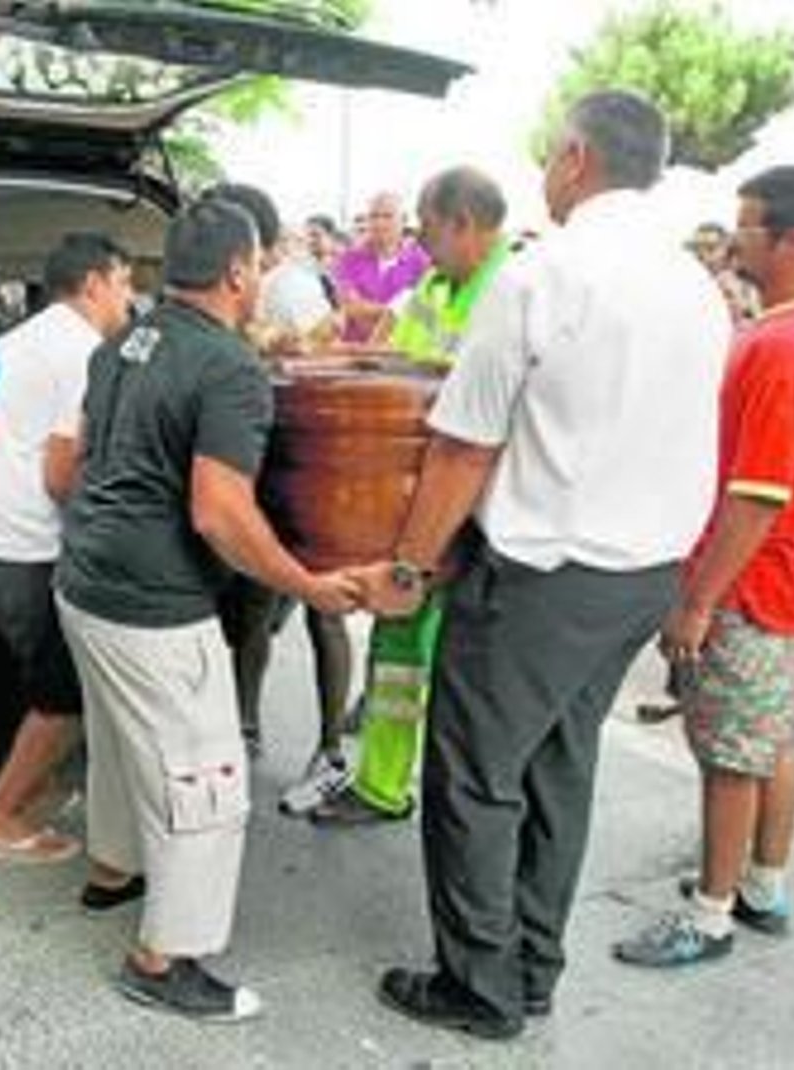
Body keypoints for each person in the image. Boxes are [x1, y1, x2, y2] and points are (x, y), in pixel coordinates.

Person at [352, 90, 731, 1040]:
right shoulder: (697, 286)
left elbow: (463, 447)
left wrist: (407, 566)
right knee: (562, 766)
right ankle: (531, 967)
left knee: (476, 774)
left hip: (543, 574)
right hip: (642, 576)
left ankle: (478, 986)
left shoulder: (545, 273)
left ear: (575, 159)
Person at [55, 197, 357, 1023]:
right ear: (236, 270)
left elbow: (81, 455)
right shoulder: (230, 369)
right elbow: (218, 511)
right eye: (258, 262)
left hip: (83, 578)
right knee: (206, 781)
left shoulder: (123, 341)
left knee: (118, 744)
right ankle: (163, 958)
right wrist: (306, 584)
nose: (260, 275)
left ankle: (111, 872)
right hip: (154, 603)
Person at [615, 166, 794, 967]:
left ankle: (710, 915)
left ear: (791, 240)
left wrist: (698, 600)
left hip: (760, 583)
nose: (732, 237)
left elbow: (758, 495)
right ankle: (763, 883)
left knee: (728, 758)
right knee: (771, 741)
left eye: (746, 225)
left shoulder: (786, 344)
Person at [311, 165, 510, 828]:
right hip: (417, 501)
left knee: (457, 664)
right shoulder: (432, 285)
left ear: (464, 224)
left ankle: (445, 798)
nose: (422, 245)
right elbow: (391, 357)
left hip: (479, 509)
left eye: (429, 230)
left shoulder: (510, 290)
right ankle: (382, 784)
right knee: (397, 647)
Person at [0, 232, 136, 864]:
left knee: (39, 669)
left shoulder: (17, 339)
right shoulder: (82, 352)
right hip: (16, 546)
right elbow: (60, 476)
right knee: (68, 689)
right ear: (94, 284)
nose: (129, 299)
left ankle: (35, 778)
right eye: (125, 283)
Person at [207, 181, 354, 815]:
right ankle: (243, 726)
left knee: (322, 607)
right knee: (255, 605)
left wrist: (280, 345)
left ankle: (329, 750)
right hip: (267, 461)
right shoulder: (246, 283)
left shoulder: (290, 285)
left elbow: (329, 350)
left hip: (307, 463)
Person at [331, 191, 431, 343]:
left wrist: (375, 312)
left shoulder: (421, 261)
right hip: (355, 354)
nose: (379, 223)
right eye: (373, 216)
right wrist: (396, 311)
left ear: (403, 220)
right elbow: (352, 307)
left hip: (402, 353)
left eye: (387, 216)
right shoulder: (348, 259)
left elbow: (427, 313)